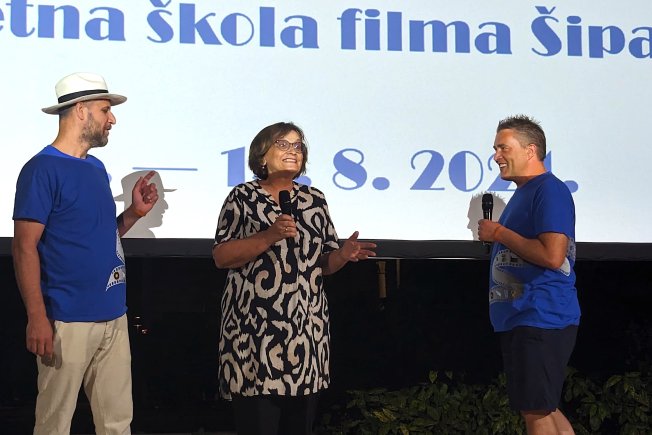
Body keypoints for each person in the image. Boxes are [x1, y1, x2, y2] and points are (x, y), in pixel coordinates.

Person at [12, 72, 159, 435]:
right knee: (54, 424)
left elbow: (100, 236)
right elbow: (24, 246)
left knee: (117, 424)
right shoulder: (41, 169)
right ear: (80, 111)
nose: (113, 119)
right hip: (67, 319)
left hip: (114, 314)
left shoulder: (95, 168)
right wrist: (37, 316)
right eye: (105, 110)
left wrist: (133, 214)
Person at [212, 122, 376, 435]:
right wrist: (269, 235)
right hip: (254, 337)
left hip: (306, 337)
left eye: (298, 145)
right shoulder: (243, 197)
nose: (293, 151)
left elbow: (323, 264)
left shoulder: (315, 199)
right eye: (283, 144)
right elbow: (222, 256)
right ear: (262, 155)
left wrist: (343, 255)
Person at [478, 115, 580, 435]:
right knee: (543, 408)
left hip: (540, 315)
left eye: (503, 148)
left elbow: (552, 255)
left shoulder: (548, 190)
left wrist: (499, 233)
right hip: (525, 317)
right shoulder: (525, 193)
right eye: (495, 149)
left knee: (536, 411)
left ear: (530, 150)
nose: (496, 156)